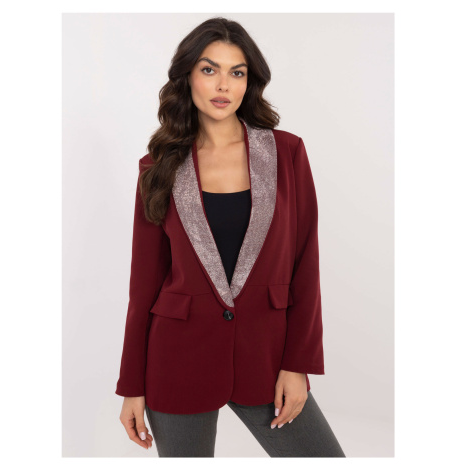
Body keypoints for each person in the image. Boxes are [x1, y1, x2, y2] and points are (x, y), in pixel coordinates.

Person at [115, 17, 346, 458]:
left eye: (236, 72)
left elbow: (306, 263)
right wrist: (132, 385)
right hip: (176, 359)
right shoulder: (158, 166)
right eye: (209, 70)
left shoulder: (286, 153)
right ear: (187, 77)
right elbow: (143, 284)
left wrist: (297, 364)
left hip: (267, 356)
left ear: (249, 81)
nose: (223, 85)